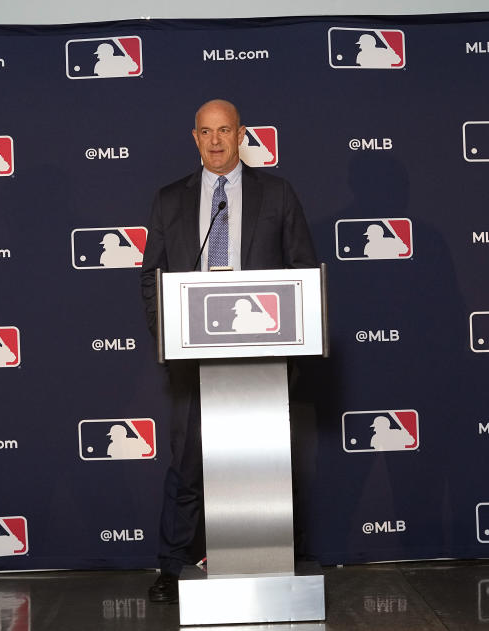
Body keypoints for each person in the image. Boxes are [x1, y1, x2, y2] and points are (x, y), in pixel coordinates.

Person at [140, 99, 318, 603]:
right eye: (205, 132)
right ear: (194, 138)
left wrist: (294, 350)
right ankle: (172, 568)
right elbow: (151, 278)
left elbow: (304, 270)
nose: (215, 141)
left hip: (265, 358)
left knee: (272, 464)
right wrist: (168, 341)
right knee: (188, 465)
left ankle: (285, 560)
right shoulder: (170, 199)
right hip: (193, 358)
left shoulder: (277, 193)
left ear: (242, 134)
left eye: (225, 130)